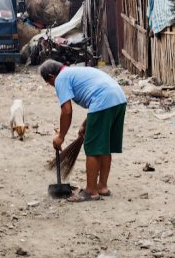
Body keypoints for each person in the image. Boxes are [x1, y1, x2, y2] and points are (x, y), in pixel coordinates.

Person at [39, 60, 127, 202]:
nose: (53, 86)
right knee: (104, 145)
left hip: (103, 101)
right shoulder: (73, 72)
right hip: (119, 99)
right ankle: (102, 187)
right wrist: (85, 124)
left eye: (50, 84)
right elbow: (95, 94)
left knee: (92, 148)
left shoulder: (61, 79)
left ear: (51, 77)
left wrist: (60, 136)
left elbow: (66, 110)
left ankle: (91, 191)